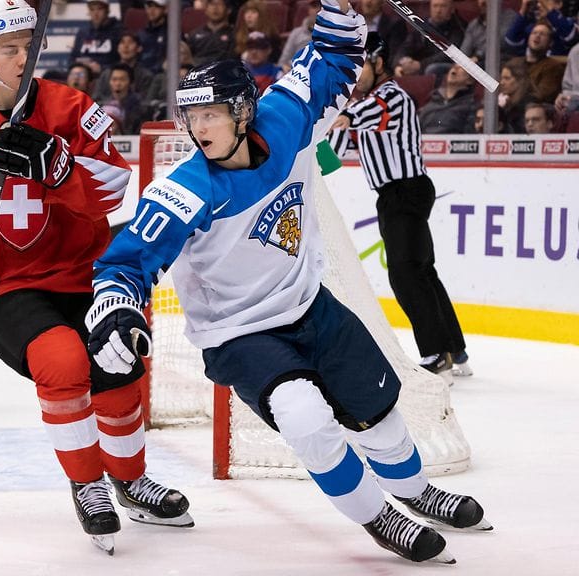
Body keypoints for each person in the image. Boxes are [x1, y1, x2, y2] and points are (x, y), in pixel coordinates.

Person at [86, 0, 492, 564]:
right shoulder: (183, 191)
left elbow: (334, 53)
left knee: (377, 413)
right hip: (238, 334)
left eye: (211, 115)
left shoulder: (286, 116)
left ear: (243, 112)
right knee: (304, 417)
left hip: (309, 306)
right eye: (191, 116)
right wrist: (115, 308)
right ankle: (378, 517)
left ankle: (414, 490)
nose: (198, 128)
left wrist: (339, 8)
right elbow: (126, 263)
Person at [0, 0, 191, 553]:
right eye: (8, 48)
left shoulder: (72, 107)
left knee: (118, 361)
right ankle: (87, 483)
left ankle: (130, 480)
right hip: (2, 285)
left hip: (83, 273)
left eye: (27, 46)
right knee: (63, 361)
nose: (21, 57)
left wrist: (59, 167)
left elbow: (114, 188)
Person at [329, 32, 470, 380]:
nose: (355, 74)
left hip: (406, 191)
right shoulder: (365, 102)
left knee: (406, 273)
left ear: (378, 62)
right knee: (422, 271)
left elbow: (367, 114)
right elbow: (334, 152)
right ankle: (454, 348)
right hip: (396, 195)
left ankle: (436, 353)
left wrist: (339, 114)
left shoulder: (392, 96)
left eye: (359, 65)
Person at [418, 63, 477, 134]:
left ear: (470, 80)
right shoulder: (431, 101)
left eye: (461, 67)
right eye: (453, 66)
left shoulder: (470, 105)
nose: (455, 68)